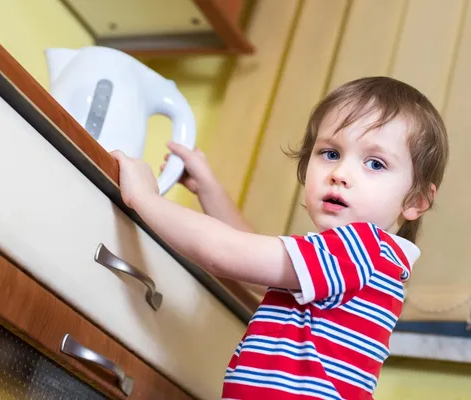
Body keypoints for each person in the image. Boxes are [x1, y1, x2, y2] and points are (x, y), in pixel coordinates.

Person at [110, 76, 449, 399]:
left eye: (375, 163)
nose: (340, 174)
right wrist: (209, 190)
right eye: (330, 153)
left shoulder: (360, 248)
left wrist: (144, 198)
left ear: (415, 201)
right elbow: (261, 269)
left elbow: (225, 252)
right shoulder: (366, 258)